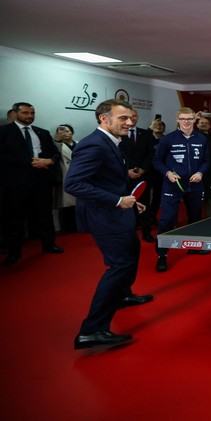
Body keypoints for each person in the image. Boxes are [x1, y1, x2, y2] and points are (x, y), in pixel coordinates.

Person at [65, 99, 153, 350]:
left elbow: (107, 180)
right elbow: (73, 184)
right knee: (121, 264)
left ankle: (123, 294)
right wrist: (117, 200)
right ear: (104, 119)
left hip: (118, 211)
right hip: (105, 215)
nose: (130, 122)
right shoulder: (93, 144)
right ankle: (91, 331)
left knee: (132, 251)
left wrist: (130, 201)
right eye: (123, 118)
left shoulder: (112, 141)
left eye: (131, 118)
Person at [0, 101, 63, 265]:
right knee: (16, 218)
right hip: (16, 183)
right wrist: (30, 162)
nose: (30, 116)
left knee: (45, 215)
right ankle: (14, 252)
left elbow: (55, 154)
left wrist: (49, 161)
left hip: (42, 180)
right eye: (25, 113)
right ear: (15, 113)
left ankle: (49, 244)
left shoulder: (42, 132)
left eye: (32, 113)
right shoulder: (4, 132)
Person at [151, 108, 210, 272]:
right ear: (177, 119)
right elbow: (157, 161)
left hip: (195, 186)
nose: (186, 122)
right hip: (173, 185)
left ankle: (193, 247)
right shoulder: (168, 139)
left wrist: (200, 173)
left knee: (195, 218)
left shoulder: (201, 139)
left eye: (189, 119)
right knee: (167, 220)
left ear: (194, 120)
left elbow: (206, 161)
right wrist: (168, 173)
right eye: (183, 119)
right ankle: (162, 255)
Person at [119, 108, 155, 239]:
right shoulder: (118, 134)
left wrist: (142, 169)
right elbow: (116, 156)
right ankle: (129, 232)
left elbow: (151, 154)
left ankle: (146, 232)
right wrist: (126, 171)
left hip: (143, 176)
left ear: (138, 117)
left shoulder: (146, 134)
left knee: (145, 204)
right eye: (129, 116)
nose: (132, 118)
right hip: (124, 177)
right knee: (127, 206)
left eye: (134, 116)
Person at [141, 118, 165, 242]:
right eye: (157, 125)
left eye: (161, 125)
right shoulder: (147, 138)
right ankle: (143, 221)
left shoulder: (166, 139)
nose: (159, 126)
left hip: (161, 173)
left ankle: (152, 216)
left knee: (158, 197)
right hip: (147, 172)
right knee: (145, 198)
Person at [53, 123, 78, 233]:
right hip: (65, 174)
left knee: (80, 203)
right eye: (62, 131)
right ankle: (67, 228)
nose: (65, 133)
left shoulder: (79, 144)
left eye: (68, 131)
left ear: (72, 133)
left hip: (80, 176)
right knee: (67, 204)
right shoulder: (56, 145)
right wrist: (57, 140)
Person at [196, 115, 211, 216]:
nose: (204, 124)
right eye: (202, 123)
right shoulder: (192, 137)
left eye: (206, 123)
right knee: (196, 197)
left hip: (210, 173)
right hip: (196, 172)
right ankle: (195, 219)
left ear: (210, 126)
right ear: (197, 125)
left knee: (209, 196)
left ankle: (208, 218)